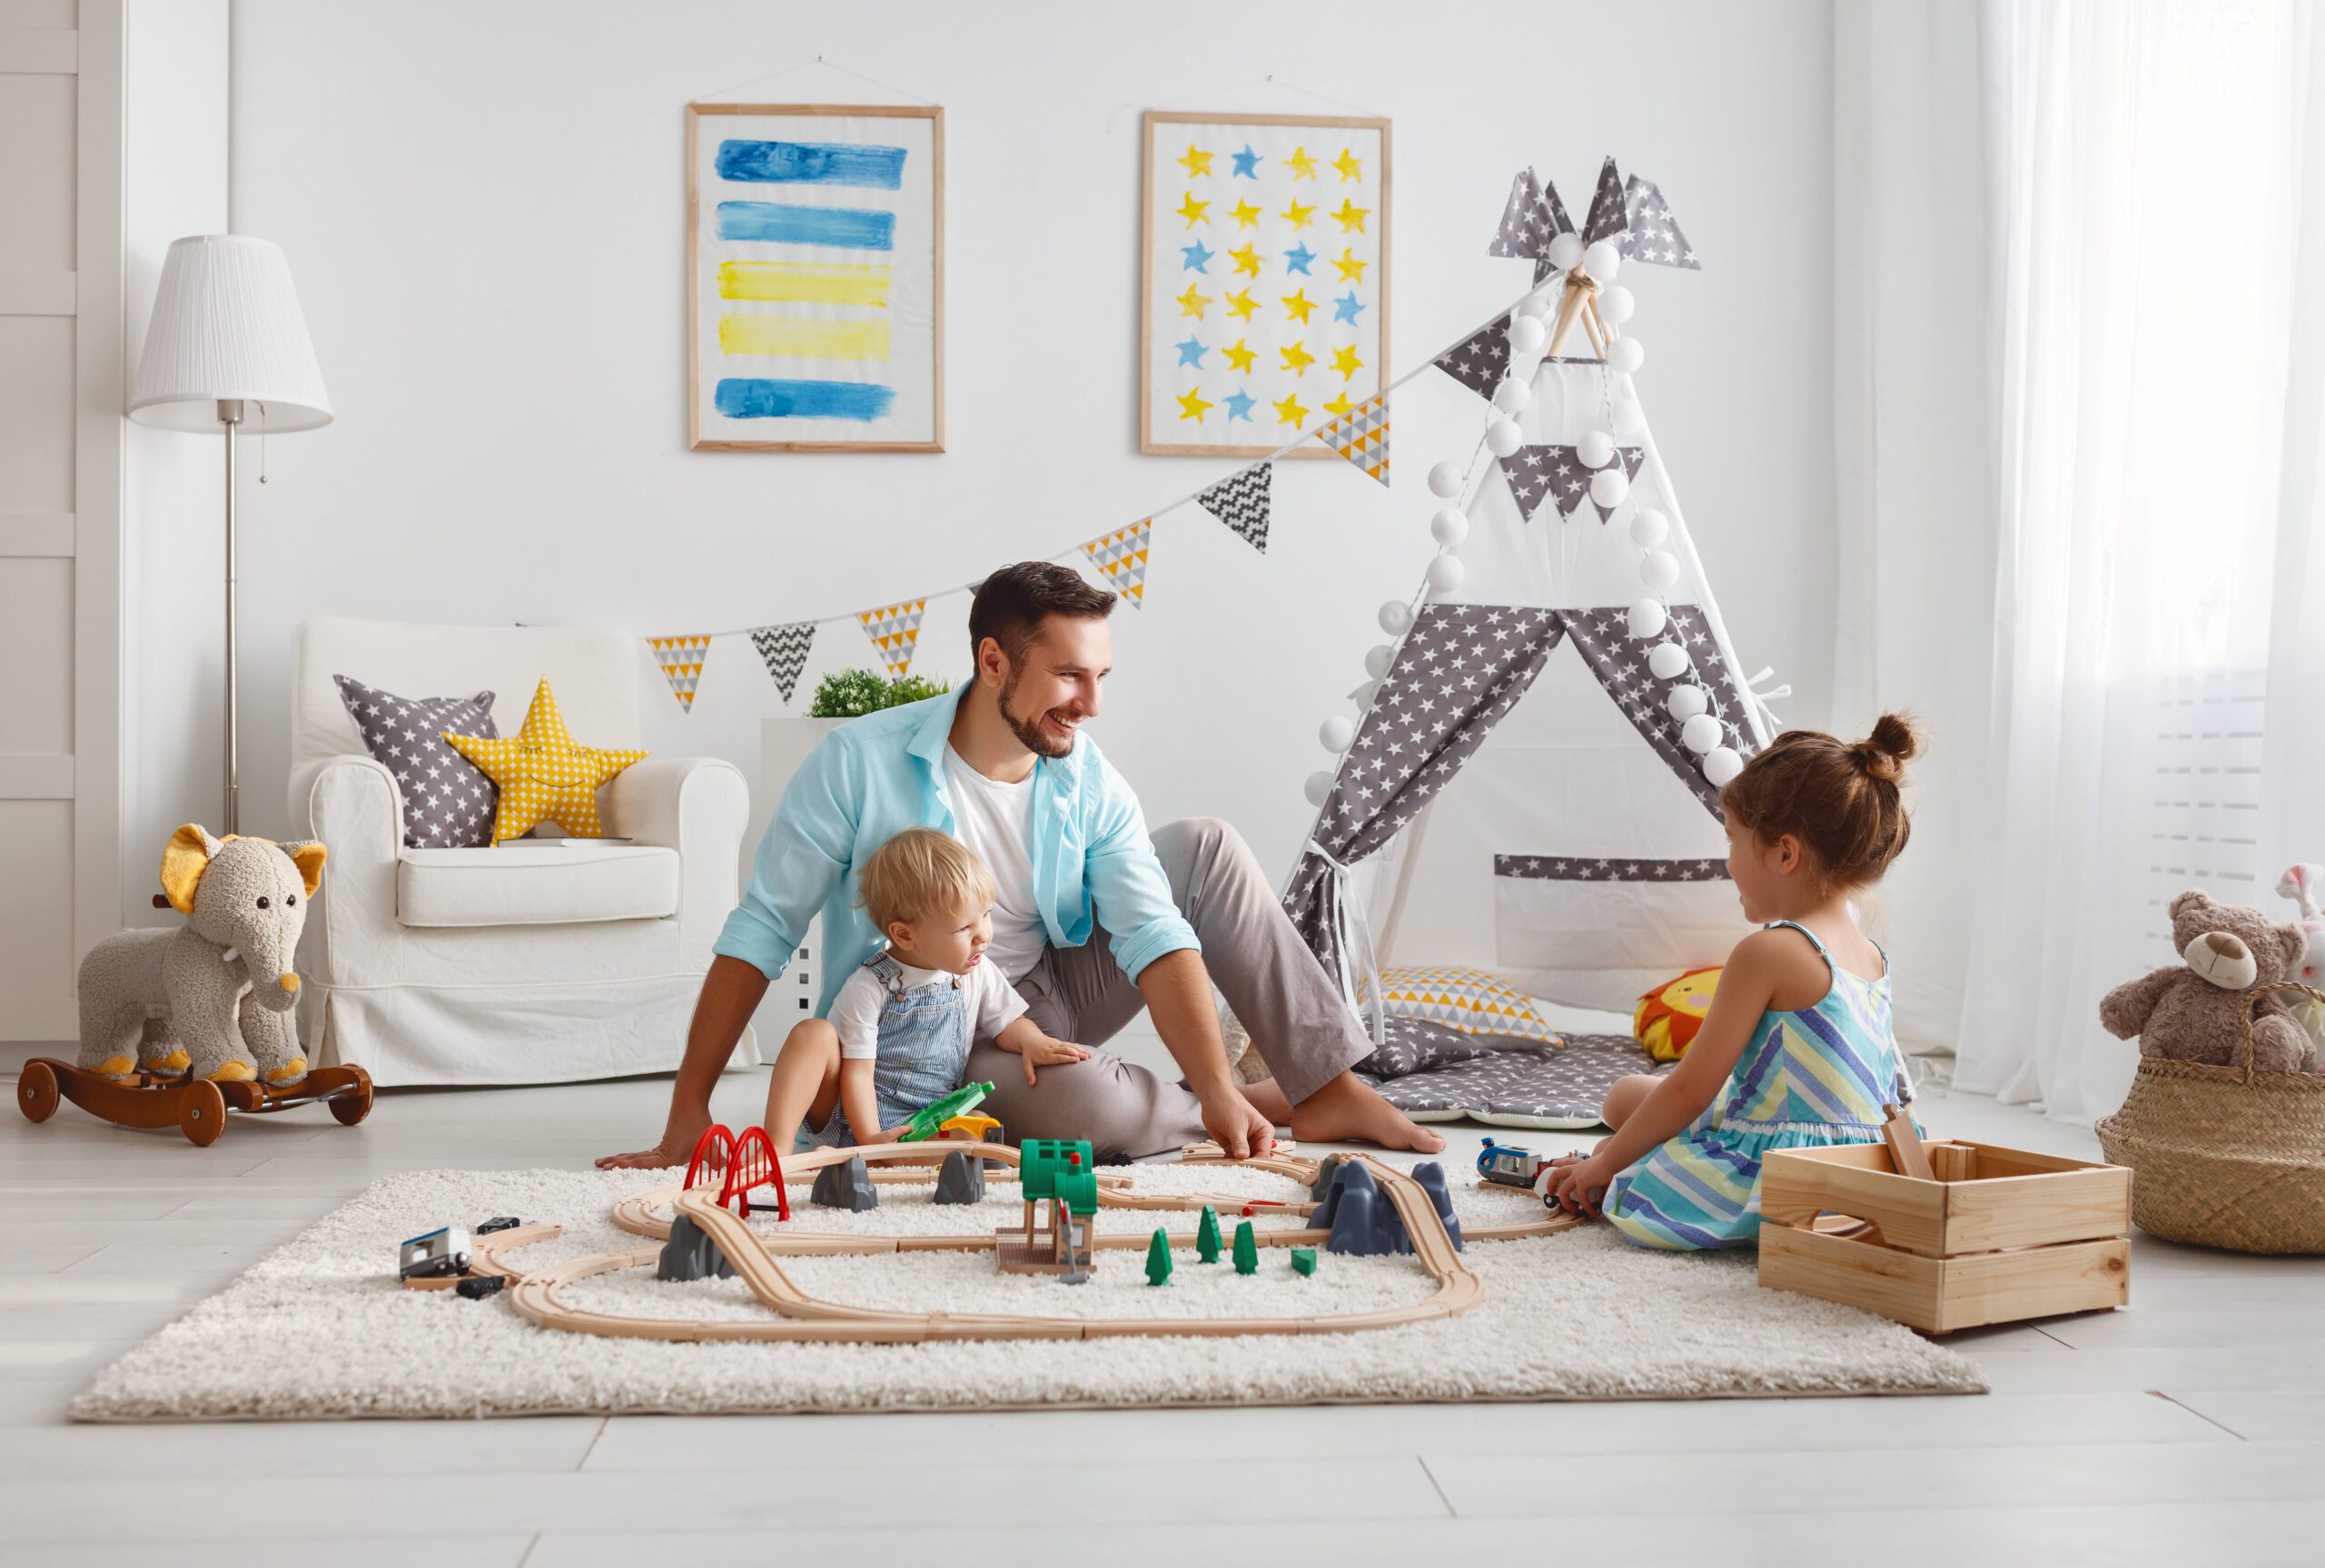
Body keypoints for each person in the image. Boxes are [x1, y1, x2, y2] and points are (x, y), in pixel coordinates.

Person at [598, 561, 1442, 1169]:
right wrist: (688, 1112)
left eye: (1101, 674)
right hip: (931, 1032)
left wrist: (1217, 1075)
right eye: (1070, 674)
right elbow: (762, 931)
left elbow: (1151, 929)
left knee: (1207, 846)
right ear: (993, 661)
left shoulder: (1084, 771)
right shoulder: (859, 761)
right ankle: (1233, 1105)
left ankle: (1321, 1086)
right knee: (1094, 1109)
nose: (1092, 702)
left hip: (1047, 991)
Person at [1542, 715, 1923, 1248]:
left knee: (1629, 1103)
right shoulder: (1869, 954)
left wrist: (1602, 1164)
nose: (1728, 862)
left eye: (1733, 841)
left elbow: (1689, 1089)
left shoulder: (1768, 951)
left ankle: (1640, 1166)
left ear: (1784, 853)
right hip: (1867, 1164)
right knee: (1631, 1095)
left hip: (1786, 1173)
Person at [766, 825, 1091, 1149]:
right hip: (851, 1115)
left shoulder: (976, 972)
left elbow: (1007, 1022)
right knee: (812, 1034)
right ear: (905, 935)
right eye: (965, 927)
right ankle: (777, 1152)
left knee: (977, 1128)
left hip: (924, 1120)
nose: (984, 936)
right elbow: (858, 1074)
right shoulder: (870, 986)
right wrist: (871, 1140)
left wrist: (1033, 1041)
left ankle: (895, 1158)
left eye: (986, 915)